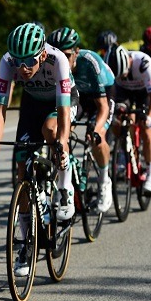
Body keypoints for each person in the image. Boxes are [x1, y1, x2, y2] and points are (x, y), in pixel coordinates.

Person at [0, 24, 78, 275]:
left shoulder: (58, 60)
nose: (23, 68)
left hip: (61, 104)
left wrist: (62, 144)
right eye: (18, 61)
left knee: (52, 132)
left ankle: (64, 188)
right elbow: (0, 109)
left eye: (29, 61)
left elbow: (64, 111)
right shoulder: (8, 62)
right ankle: (27, 244)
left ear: (43, 55)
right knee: (21, 172)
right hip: (31, 104)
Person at [48, 26, 115, 214]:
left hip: (101, 96)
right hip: (77, 98)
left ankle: (104, 181)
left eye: (67, 55)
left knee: (97, 136)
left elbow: (103, 107)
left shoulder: (89, 62)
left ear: (77, 52)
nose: (61, 60)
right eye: (57, 55)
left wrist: (96, 129)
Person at [104, 44, 151, 195]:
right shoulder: (112, 66)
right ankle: (123, 150)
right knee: (118, 118)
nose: (122, 77)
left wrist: (150, 117)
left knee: (146, 129)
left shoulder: (143, 63)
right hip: (123, 92)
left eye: (123, 74)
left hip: (144, 92)